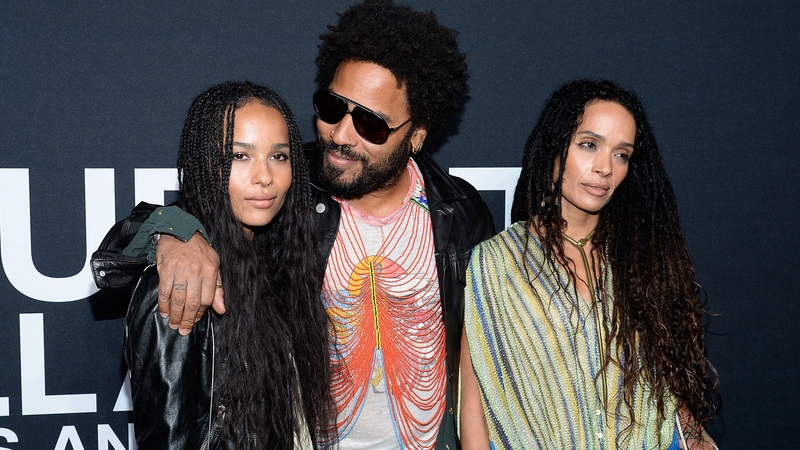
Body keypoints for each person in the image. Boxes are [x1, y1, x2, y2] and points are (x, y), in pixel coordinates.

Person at [91, 1, 495, 448]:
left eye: (371, 124)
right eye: (332, 107)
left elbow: (481, 356)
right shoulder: (287, 183)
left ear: (415, 134)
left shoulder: (460, 212)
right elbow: (185, 212)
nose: (341, 134)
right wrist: (173, 234)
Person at [458, 80, 720, 449]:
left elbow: (667, 384)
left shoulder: (641, 257)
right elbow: (475, 403)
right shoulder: (496, 262)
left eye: (621, 154)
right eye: (589, 145)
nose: (605, 168)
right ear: (554, 145)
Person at [120, 81, 333, 449]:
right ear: (204, 164)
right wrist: (169, 233)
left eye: (279, 156)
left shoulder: (278, 265)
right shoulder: (183, 281)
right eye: (239, 156)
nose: (264, 176)